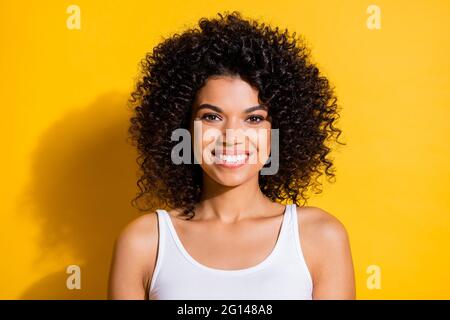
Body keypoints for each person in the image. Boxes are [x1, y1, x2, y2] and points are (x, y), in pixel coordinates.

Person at [108, 11, 355, 300]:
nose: (231, 137)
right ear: (183, 127)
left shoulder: (321, 237)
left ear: (279, 131)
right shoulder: (143, 243)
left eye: (253, 119)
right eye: (212, 117)